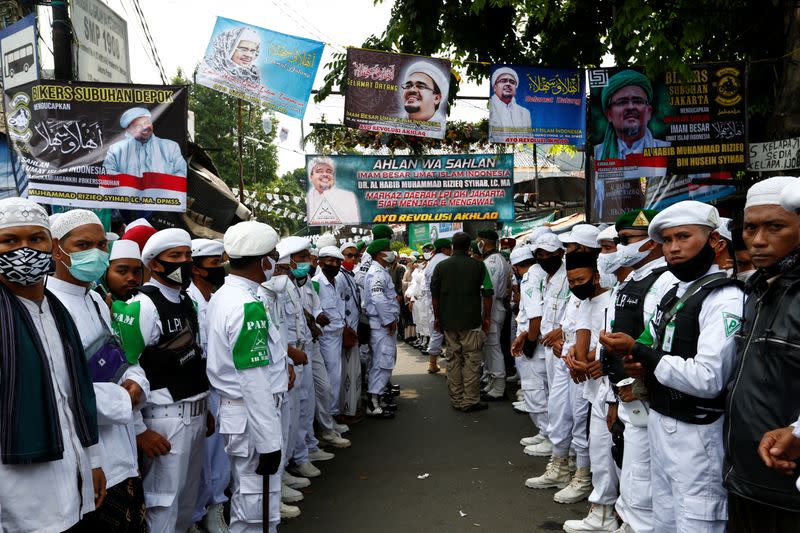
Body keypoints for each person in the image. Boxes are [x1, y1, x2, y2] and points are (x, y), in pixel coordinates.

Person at [603, 200, 743, 533]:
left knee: (697, 521)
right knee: (664, 519)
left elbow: (708, 378)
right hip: (661, 421)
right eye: (667, 240)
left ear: (714, 242)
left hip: (697, 433)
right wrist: (639, 365)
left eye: (683, 237)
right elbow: (657, 350)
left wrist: (639, 350)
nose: (674, 248)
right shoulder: (673, 293)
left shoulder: (724, 298)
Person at [0, 198, 105, 532]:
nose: (25, 249)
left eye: (35, 239)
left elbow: (76, 396)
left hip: (72, 481)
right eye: (10, 241)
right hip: (16, 494)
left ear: (51, 246)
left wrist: (94, 461)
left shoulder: (59, 311)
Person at [49, 210, 149, 533]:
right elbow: (64, 389)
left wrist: (136, 382)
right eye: (82, 245)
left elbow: (121, 356)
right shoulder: (48, 304)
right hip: (90, 460)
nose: (95, 253)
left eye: (100, 245)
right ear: (56, 248)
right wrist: (124, 399)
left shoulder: (95, 299)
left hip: (123, 451)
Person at [112, 228, 211, 533]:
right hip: (164, 421)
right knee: (163, 506)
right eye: (175, 256)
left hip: (193, 414)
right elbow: (123, 370)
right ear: (154, 264)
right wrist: (139, 430)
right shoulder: (143, 305)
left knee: (186, 503)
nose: (184, 262)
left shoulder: (187, 302)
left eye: (187, 255)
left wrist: (205, 410)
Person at [725, 176, 800, 531]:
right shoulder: (757, 290)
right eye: (750, 227)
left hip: (789, 490)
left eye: (775, 227)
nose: (757, 240)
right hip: (745, 480)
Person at [598, 208, 674, 533]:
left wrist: (633, 380)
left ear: (651, 242)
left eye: (627, 240)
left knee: (644, 482)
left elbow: (656, 340)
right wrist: (613, 394)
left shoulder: (665, 280)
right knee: (631, 473)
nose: (620, 247)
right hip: (625, 393)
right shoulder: (631, 279)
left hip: (645, 394)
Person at [205, 221, 283, 533]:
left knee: (251, 497)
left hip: (243, 414)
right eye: (273, 255)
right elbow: (254, 380)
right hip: (252, 416)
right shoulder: (246, 304)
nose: (275, 261)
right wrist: (269, 443)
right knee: (257, 506)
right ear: (264, 261)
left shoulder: (225, 294)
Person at [563, 226, 627, 533]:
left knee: (620, 455)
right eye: (572, 282)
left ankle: (620, 515)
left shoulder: (614, 298)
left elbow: (610, 346)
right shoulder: (585, 303)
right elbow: (582, 339)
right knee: (601, 451)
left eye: (581, 280)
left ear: (597, 276)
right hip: (594, 388)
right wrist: (578, 359)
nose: (576, 286)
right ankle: (601, 512)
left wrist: (598, 361)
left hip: (616, 388)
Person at [187, 238, 231, 533]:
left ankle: (215, 508)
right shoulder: (187, 299)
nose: (222, 269)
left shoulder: (216, 298)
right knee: (197, 462)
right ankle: (193, 516)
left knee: (219, 456)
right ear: (198, 269)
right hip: (196, 388)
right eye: (216, 264)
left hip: (221, 387)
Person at [430, 232, 493, 411]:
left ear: (452, 247)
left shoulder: (441, 266)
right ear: (469, 247)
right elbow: (488, 292)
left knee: (453, 359)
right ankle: (470, 400)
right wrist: (486, 317)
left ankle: (456, 399)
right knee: (472, 360)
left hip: (449, 322)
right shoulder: (479, 266)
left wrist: (438, 317)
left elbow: (434, 296)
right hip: (471, 322)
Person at [593, 69, 671, 162]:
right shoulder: (598, 154)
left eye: (637, 101)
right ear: (609, 114)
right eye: (622, 102)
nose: (630, 107)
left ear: (649, 112)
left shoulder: (667, 151)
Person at [363, 238, 401, 417]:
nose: (390, 252)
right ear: (379, 254)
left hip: (382, 324)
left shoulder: (381, 271)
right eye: (387, 249)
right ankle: (373, 404)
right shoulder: (377, 273)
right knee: (382, 363)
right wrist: (388, 320)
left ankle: (376, 400)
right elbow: (378, 297)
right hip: (381, 325)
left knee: (380, 362)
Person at [476, 229, 511, 401]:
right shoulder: (496, 259)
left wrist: (485, 316)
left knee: (493, 347)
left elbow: (491, 291)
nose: (477, 244)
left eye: (478, 240)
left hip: (492, 307)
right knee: (489, 348)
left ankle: (499, 387)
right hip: (494, 307)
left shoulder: (492, 261)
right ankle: (492, 381)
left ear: (483, 242)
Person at [103, 107, 187, 178]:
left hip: (162, 196)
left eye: (147, 123)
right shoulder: (116, 149)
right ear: (128, 130)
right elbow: (107, 173)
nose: (144, 128)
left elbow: (182, 173)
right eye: (138, 126)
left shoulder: (171, 147)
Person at [337, 241, 363, 421]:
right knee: (345, 373)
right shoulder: (339, 276)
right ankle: (345, 412)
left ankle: (351, 409)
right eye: (349, 255)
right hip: (344, 332)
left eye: (355, 256)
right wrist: (345, 328)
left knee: (353, 371)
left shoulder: (349, 275)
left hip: (352, 329)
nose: (353, 259)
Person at [422, 238, 453, 368]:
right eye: (449, 248)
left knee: (436, 331)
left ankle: (432, 364)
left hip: (431, 301)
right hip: (446, 300)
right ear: (445, 249)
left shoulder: (431, 262)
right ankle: (450, 368)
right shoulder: (446, 261)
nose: (451, 250)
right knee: (451, 334)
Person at [307, 156, 360, 225]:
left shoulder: (348, 196)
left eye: (329, 172)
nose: (325, 174)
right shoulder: (307, 197)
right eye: (319, 171)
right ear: (311, 177)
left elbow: (353, 222)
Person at [101, 239, 144, 303]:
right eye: (122, 271)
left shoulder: (147, 304)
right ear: (105, 272)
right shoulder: (93, 301)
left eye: (136, 272)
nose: (131, 278)